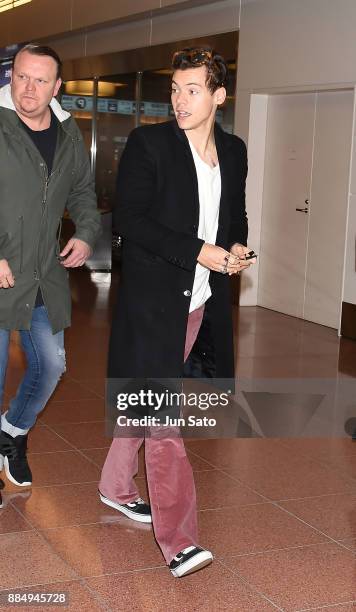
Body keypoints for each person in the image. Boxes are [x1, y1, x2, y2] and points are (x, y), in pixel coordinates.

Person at [98, 47, 255, 578]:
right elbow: (132, 221)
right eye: (175, 89)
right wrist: (198, 250)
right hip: (152, 302)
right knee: (163, 417)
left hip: (200, 302)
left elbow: (235, 214)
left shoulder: (233, 151)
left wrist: (233, 248)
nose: (181, 100)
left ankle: (115, 486)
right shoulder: (150, 144)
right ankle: (180, 540)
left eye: (193, 90)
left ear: (218, 96)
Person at [0, 44, 101, 488]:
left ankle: (12, 433)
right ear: (11, 77)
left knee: (53, 366)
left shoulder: (67, 131)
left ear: (57, 87)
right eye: (22, 77)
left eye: (41, 80)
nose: (29, 88)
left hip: (44, 273)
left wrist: (85, 231)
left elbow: (81, 189)